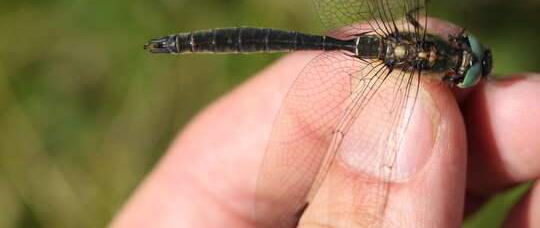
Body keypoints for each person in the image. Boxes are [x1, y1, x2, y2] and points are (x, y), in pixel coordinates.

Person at [111, 22, 540, 227]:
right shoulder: (429, 73)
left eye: (464, 62)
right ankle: (176, 43)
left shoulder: (417, 44)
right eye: (464, 51)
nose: (462, 56)